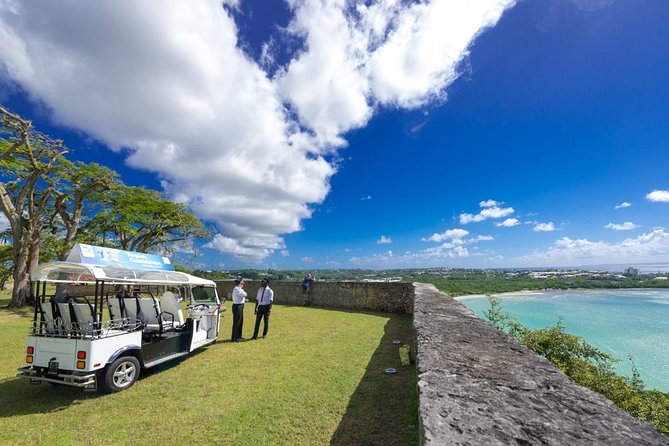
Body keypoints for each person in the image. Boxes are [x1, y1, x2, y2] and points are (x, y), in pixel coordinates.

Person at [231, 277, 247, 342]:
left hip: (239, 305)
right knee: (237, 322)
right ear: (240, 283)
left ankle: (239, 336)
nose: (243, 284)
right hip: (238, 306)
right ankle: (235, 338)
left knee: (240, 321)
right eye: (242, 283)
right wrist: (243, 290)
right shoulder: (238, 289)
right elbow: (245, 294)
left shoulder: (237, 289)